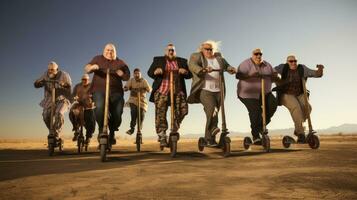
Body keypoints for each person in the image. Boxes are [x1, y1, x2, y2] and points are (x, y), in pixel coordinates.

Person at [187, 40, 236, 146]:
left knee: (214, 112)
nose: (209, 51)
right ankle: (213, 129)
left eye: (211, 49)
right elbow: (192, 65)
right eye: (207, 49)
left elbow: (227, 66)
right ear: (202, 50)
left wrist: (230, 69)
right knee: (212, 108)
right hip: (204, 89)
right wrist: (203, 69)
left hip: (219, 91)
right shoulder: (196, 56)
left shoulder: (219, 58)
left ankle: (210, 139)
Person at [84, 43, 130, 145]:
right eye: (107, 50)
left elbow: (127, 76)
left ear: (115, 52)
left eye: (112, 50)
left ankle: (112, 131)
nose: (109, 52)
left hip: (116, 92)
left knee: (117, 113)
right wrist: (92, 67)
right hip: (99, 90)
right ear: (104, 50)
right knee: (99, 107)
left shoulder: (120, 62)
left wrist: (122, 74)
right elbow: (87, 68)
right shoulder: (97, 58)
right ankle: (102, 130)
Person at [147, 43, 192, 146]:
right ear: (165, 51)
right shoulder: (158, 60)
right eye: (169, 50)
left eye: (173, 50)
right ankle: (162, 135)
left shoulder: (182, 61)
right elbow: (149, 72)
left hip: (178, 90)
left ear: (175, 51)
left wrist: (185, 72)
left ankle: (174, 128)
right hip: (162, 90)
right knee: (160, 113)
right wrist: (155, 71)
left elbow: (190, 75)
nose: (171, 52)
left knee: (183, 110)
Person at [274, 55, 324, 142]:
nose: (293, 63)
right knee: (296, 108)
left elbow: (317, 74)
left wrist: (320, 69)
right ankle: (301, 133)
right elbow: (271, 71)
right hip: (286, 94)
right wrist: (276, 78)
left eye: (295, 61)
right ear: (287, 62)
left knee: (308, 107)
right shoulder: (283, 67)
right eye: (291, 61)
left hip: (300, 93)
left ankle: (298, 128)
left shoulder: (302, 68)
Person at [236, 48, 279, 145]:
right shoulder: (246, 63)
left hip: (265, 92)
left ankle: (260, 127)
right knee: (256, 111)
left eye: (260, 54)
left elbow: (276, 75)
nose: (258, 56)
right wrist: (250, 75)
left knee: (273, 105)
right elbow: (238, 75)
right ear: (252, 55)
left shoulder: (267, 65)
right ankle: (255, 135)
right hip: (248, 94)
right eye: (256, 54)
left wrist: (276, 76)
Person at [34, 61, 72, 139]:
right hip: (49, 100)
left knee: (59, 113)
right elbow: (37, 83)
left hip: (62, 99)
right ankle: (52, 131)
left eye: (52, 70)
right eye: (49, 69)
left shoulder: (64, 74)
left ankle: (57, 132)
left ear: (57, 69)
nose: (50, 71)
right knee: (45, 115)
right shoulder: (45, 74)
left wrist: (64, 84)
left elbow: (69, 85)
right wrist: (38, 83)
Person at [69, 74, 96, 145]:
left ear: (88, 80)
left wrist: (93, 99)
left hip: (89, 106)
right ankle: (76, 129)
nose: (84, 81)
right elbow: (73, 95)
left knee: (91, 120)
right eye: (83, 80)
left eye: (85, 80)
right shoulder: (77, 86)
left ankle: (88, 137)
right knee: (72, 112)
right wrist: (73, 98)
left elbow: (96, 95)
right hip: (80, 104)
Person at [124, 68, 152, 135]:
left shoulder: (143, 80)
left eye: (138, 73)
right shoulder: (131, 80)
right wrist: (127, 88)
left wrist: (146, 89)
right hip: (133, 100)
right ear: (133, 74)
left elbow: (150, 89)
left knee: (141, 115)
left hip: (142, 101)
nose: (137, 75)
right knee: (133, 113)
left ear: (140, 74)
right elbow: (125, 87)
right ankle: (132, 129)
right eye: (135, 74)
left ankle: (139, 130)